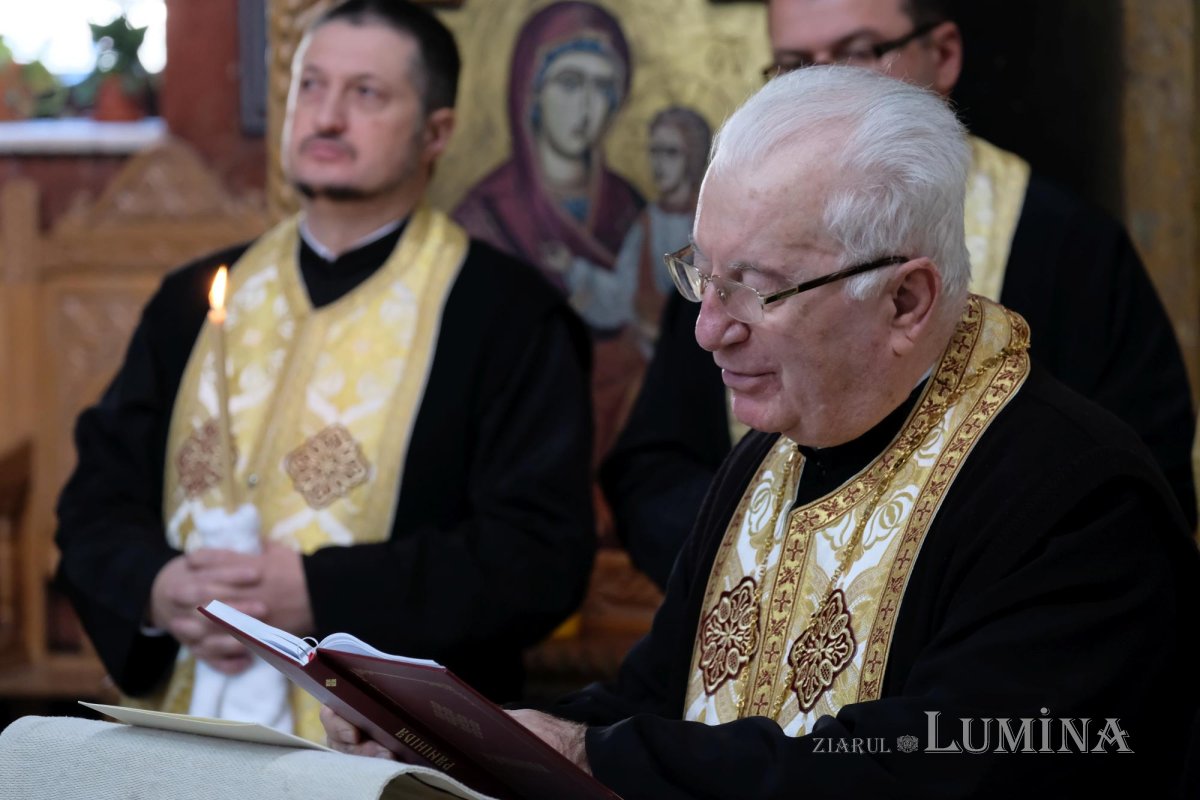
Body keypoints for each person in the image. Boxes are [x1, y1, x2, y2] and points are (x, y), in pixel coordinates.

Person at [323, 66, 1200, 798]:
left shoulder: (1075, 497)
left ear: (906, 300)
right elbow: (658, 701)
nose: (709, 329)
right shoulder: (765, 460)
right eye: (704, 273)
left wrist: (597, 758)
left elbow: (928, 766)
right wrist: (454, 732)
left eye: (759, 288)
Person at [54, 0, 595, 742]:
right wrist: (159, 590)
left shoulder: (507, 317)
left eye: (366, 94)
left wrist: (319, 591)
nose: (327, 116)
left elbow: (538, 557)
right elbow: (94, 500)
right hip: (177, 739)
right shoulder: (191, 301)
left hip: (387, 755)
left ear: (436, 132)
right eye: (311, 86)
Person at [603, 0, 1197, 589]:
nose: (821, 86)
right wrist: (758, 559)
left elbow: (1129, 505)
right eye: (793, 64)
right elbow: (656, 467)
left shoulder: (1067, 243)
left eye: (856, 52)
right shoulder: (739, 246)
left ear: (942, 54)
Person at [452, 0, 645, 458]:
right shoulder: (483, 214)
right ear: (530, 92)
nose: (585, 106)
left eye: (603, 87)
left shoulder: (630, 207)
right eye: (569, 82)